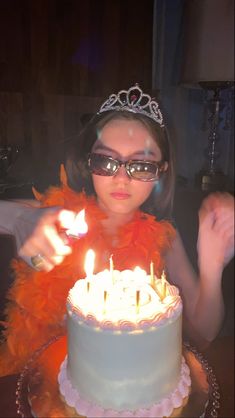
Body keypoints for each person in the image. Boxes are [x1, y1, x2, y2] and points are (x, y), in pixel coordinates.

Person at [0, 84, 234, 376]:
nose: (121, 178)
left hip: (122, 388)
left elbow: (206, 334)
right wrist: (17, 217)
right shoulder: (56, 216)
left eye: (142, 165)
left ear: (161, 171)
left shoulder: (166, 239)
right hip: (29, 383)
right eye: (106, 161)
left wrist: (211, 265)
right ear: (88, 162)